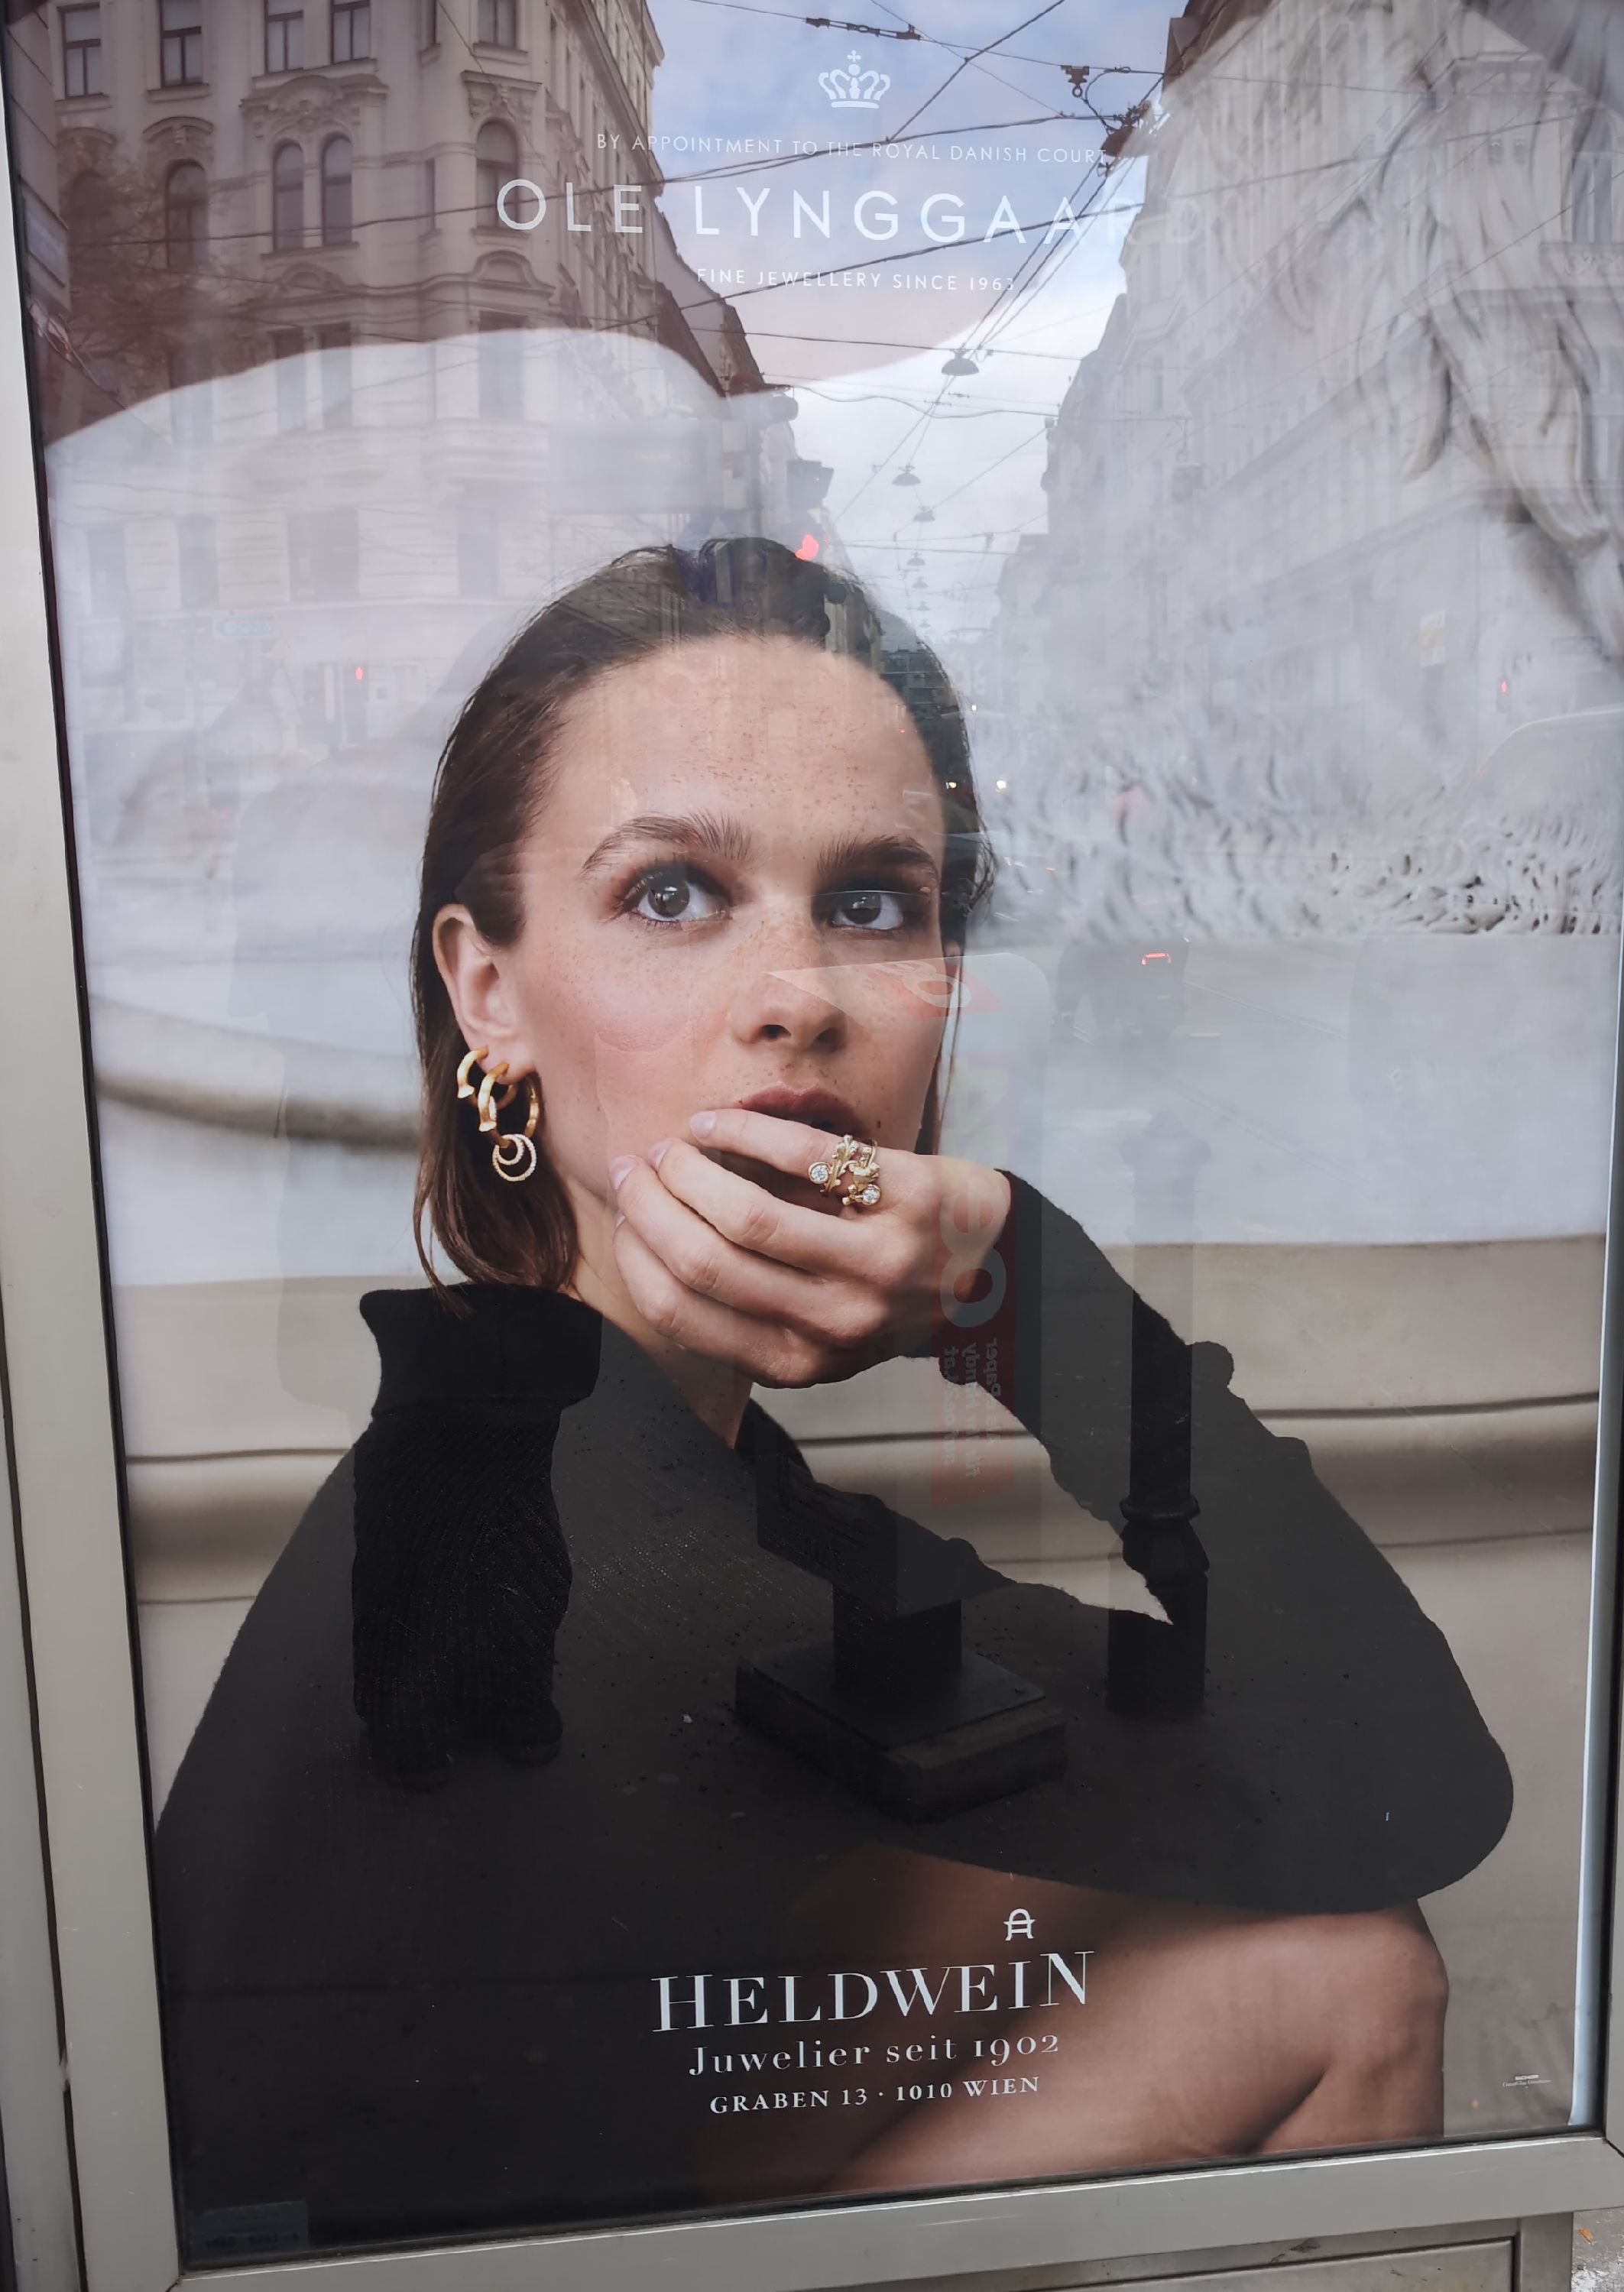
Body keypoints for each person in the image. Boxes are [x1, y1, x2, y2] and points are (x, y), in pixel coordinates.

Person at [154, 540, 1509, 2254]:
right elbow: (1400, 1778)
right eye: (671, 893)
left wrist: (1012, 1289)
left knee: (1328, 1968)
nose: (798, 998)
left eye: (873, 904)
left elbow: (1376, 1771)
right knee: (1349, 1973)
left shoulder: (634, 1466)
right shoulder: (571, 1533)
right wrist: (1020, 1295)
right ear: (487, 989)